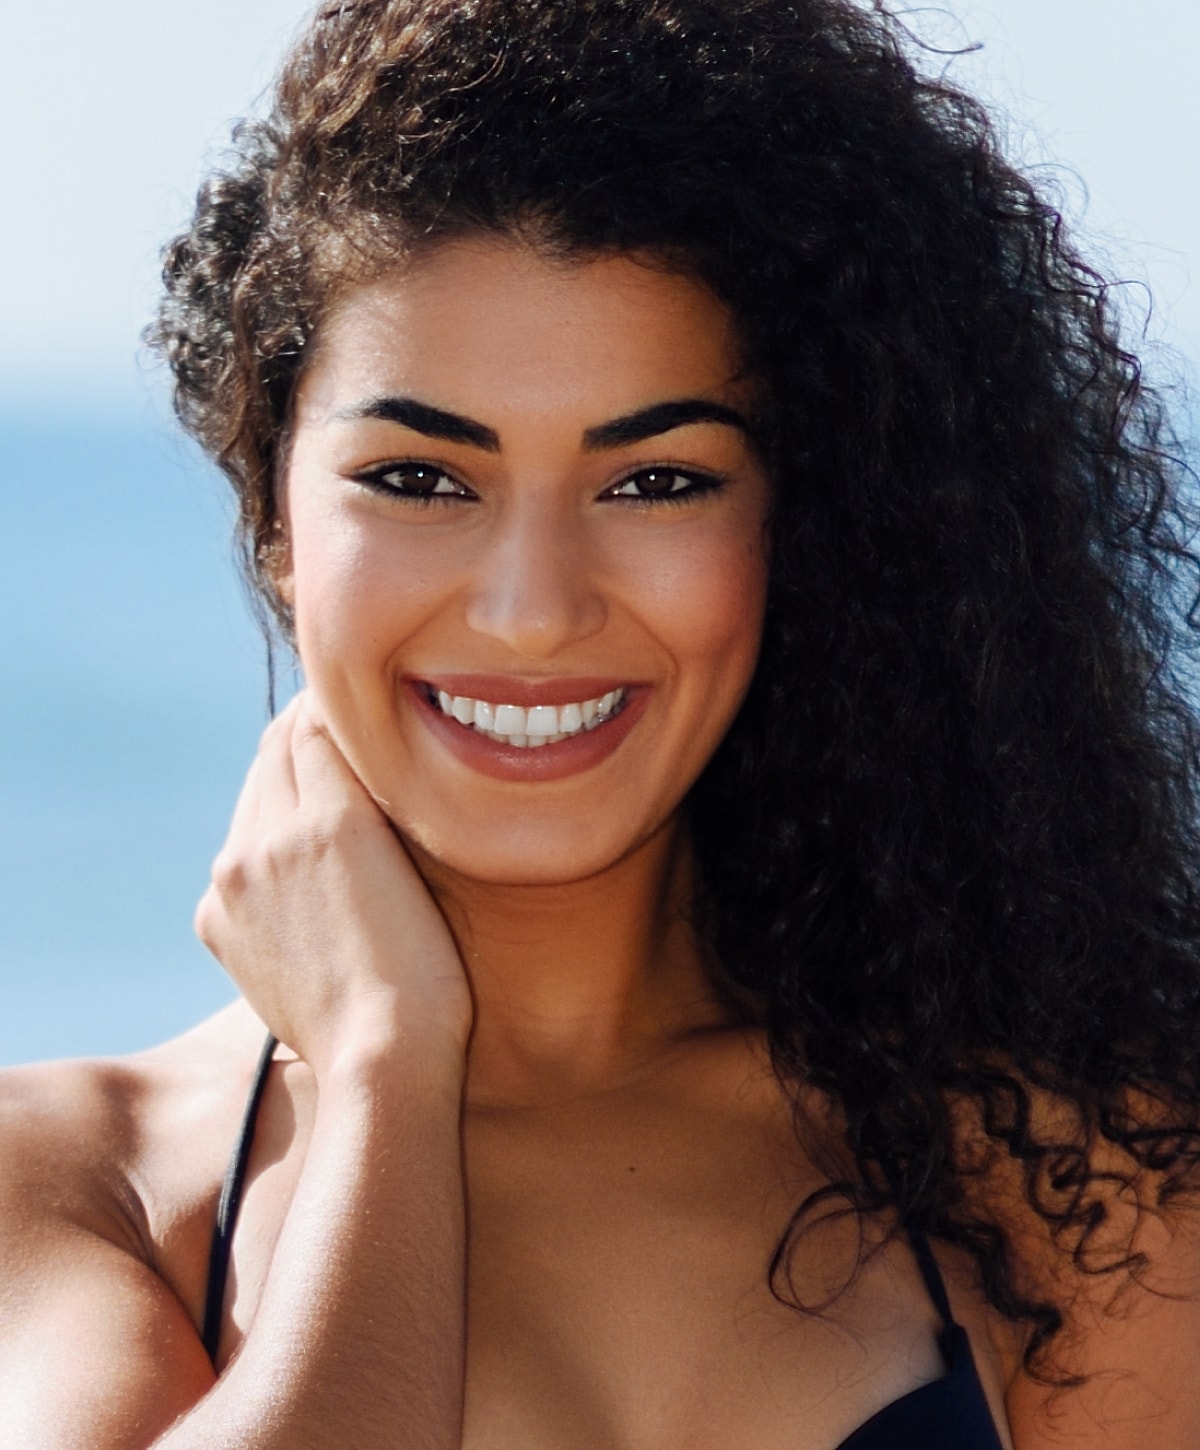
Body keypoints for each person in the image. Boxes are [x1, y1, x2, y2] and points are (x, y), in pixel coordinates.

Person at [3, 0, 1200, 1444]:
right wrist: (387, 1066)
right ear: (274, 519)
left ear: (799, 522)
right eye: (419, 478)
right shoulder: (76, 1180)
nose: (530, 610)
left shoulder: (1077, 1176)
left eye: (657, 482)